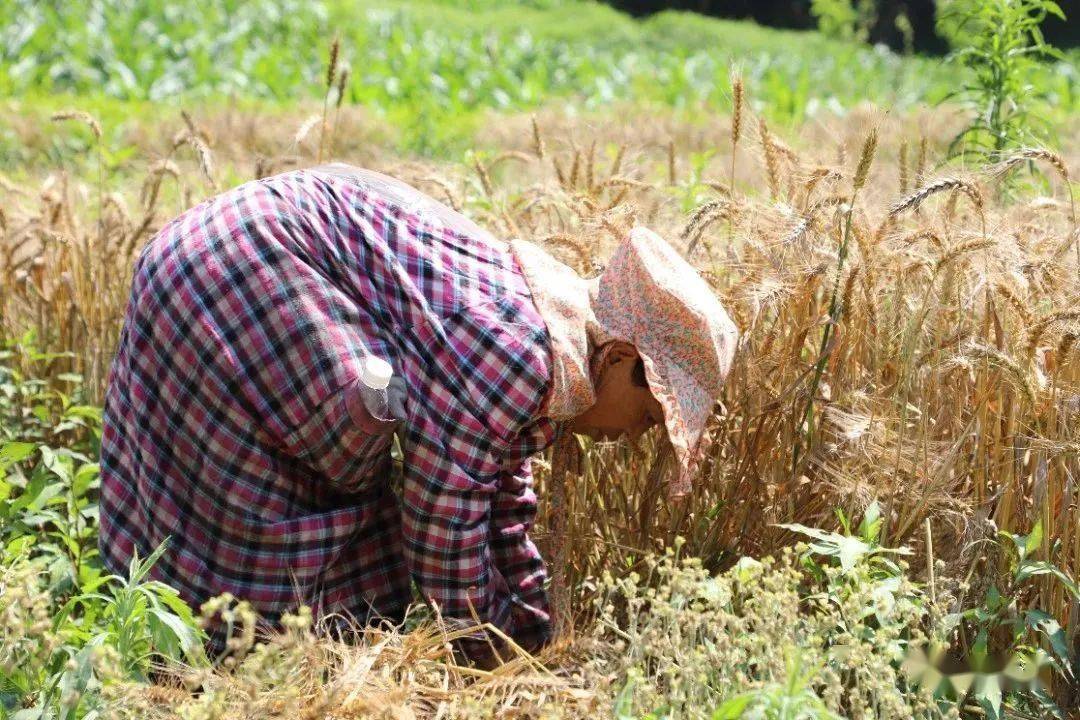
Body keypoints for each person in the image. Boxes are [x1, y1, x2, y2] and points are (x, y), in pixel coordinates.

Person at [98, 163, 738, 659]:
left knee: (364, 498)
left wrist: (527, 624)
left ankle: (192, 641)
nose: (634, 435)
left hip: (224, 250)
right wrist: (484, 652)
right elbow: (443, 527)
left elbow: (496, 495)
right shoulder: (520, 354)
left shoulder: (547, 336)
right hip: (233, 272)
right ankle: (218, 655)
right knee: (295, 496)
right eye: (649, 414)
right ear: (620, 357)